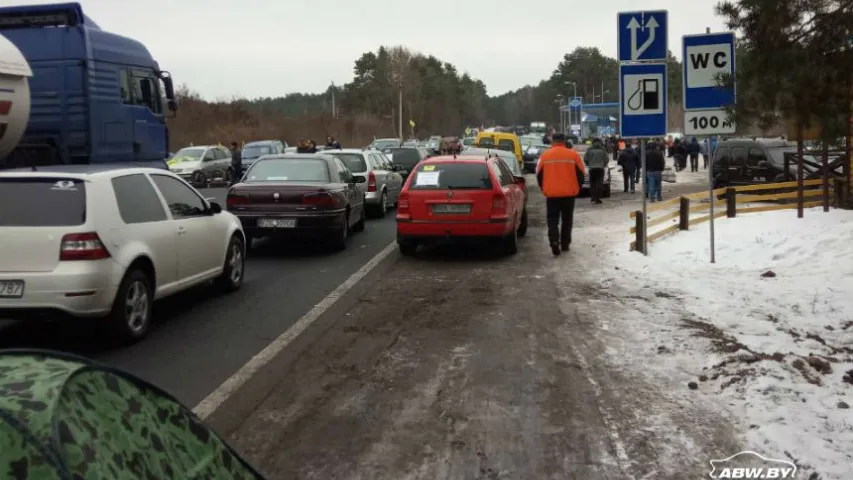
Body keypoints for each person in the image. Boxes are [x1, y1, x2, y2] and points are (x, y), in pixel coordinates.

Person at [536, 133, 585, 256]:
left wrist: (544, 187)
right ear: (564, 141)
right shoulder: (573, 155)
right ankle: (565, 243)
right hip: (569, 194)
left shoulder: (545, 155)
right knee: (567, 220)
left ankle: (554, 241)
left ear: (553, 141)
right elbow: (582, 174)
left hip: (552, 194)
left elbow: (538, 174)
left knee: (552, 219)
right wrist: (577, 187)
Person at [583, 138, 609, 204]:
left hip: (592, 168)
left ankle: (593, 197)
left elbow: (585, 159)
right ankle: (597, 197)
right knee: (599, 183)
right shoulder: (603, 149)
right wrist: (604, 164)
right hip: (600, 168)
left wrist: (588, 164)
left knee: (592, 183)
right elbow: (606, 159)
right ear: (600, 142)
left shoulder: (589, 149)